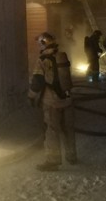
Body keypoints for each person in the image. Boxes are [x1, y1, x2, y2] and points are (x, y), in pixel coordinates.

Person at [28, 32, 77, 172]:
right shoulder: (62, 55)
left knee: (52, 130)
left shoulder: (43, 59)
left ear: (43, 44)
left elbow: (37, 82)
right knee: (68, 129)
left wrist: (31, 96)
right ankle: (72, 156)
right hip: (67, 99)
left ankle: (53, 161)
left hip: (52, 101)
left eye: (39, 43)